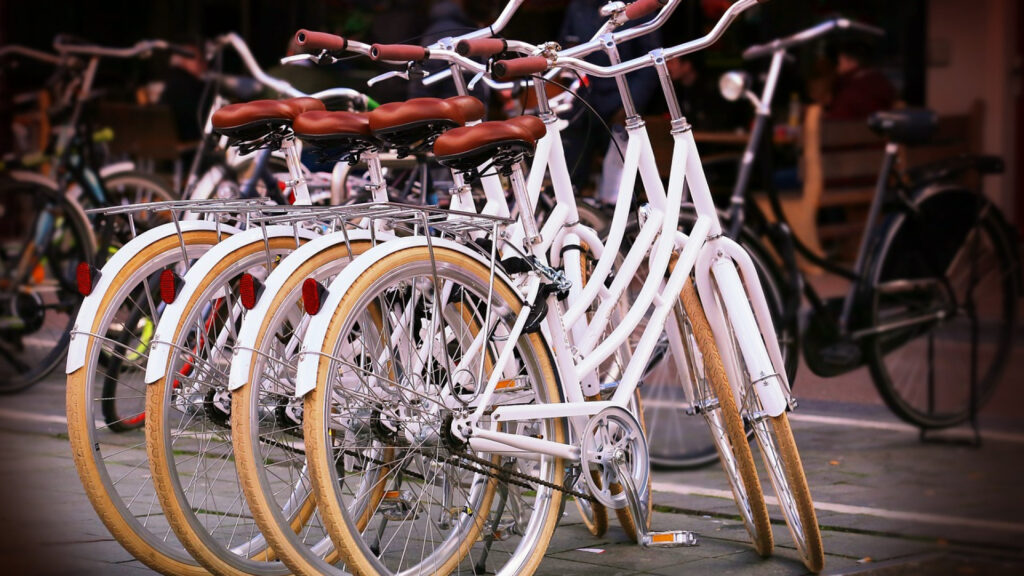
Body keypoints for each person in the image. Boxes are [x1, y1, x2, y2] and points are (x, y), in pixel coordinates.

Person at [558, 0, 662, 195]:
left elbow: (649, 62)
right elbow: (565, 50)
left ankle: (631, 221)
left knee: (624, 184)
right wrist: (569, 92)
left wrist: (630, 106)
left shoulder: (637, 5)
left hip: (620, 100)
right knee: (570, 176)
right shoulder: (577, 7)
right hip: (583, 100)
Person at [825, 39, 895, 119]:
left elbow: (836, 121)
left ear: (849, 61)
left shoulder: (850, 90)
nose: (837, 68)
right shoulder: (881, 82)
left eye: (839, 62)